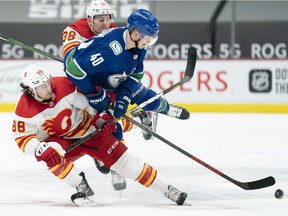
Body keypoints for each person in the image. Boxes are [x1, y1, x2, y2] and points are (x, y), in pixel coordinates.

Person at [11, 63, 188, 206]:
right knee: (50, 156)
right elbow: (23, 138)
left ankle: (167, 188)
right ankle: (82, 188)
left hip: (90, 129)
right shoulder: (23, 111)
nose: (48, 88)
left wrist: (102, 116)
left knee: (124, 163)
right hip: (62, 141)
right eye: (42, 87)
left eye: (48, 82)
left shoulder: (64, 85)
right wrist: (38, 149)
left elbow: (91, 102)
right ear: (30, 90)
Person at [62, 0, 153, 191]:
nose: (105, 23)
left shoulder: (116, 31)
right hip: (87, 82)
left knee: (110, 118)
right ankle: (139, 116)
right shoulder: (74, 31)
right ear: (89, 19)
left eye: (107, 18)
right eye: (99, 19)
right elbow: (72, 61)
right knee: (91, 121)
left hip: (108, 83)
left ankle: (116, 163)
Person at [63, 9, 190, 131]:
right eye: (149, 39)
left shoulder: (139, 45)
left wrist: (125, 95)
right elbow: (73, 69)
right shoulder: (107, 51)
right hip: (94, 81)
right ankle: (140, 120)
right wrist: (94, 94)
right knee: (106, 124)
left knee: (144, 96)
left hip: (112, 78)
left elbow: (136, 74)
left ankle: (166, 109)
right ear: (136, 34)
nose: (149, 43)